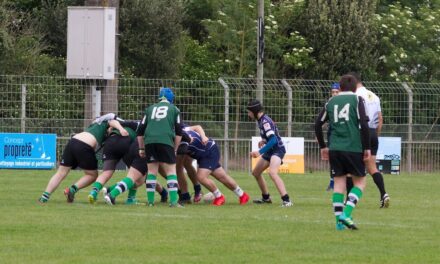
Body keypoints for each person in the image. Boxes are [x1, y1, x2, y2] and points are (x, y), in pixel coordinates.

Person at [315, 74, 371, 230]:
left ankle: (339, 224)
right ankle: (346, 214)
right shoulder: (357, 100)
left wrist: (323, 146)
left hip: (335, 148)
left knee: (339, 184)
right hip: (353, 147)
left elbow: (318, 124)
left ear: (340, 88)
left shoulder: (331, 101)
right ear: (355, 87)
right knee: (360, 182)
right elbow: (364, 125)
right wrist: (367, 147)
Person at [38, 113, 126, 203]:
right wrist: (121, 129)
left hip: (73, 141)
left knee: (61, 173)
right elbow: (113, 122)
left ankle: (44, 197)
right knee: (93, 175)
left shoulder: (95, 124)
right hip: (84, 145)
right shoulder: (107, 122)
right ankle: (72, 189)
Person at [88, 120, 168, 205]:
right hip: (133, 145)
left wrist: (116, 128)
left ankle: (94, 192)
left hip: (113, 143)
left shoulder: (140, 124)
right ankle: (115, 195)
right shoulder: (161, 130)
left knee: (108, 173)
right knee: (137, 178)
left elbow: (115, 121)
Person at [180, 125, 250, 206]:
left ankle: (219, 196)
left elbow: (198, 127)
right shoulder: (177, 136)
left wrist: (203, 136)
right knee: (222, 176)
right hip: (203, 155)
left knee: (201, 177)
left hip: (209, 151)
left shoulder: (182, 132)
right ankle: (242, 195)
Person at [137, 87, 183, 207]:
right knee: (171, 171)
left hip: (149, 141)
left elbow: (140, 131)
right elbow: (179, 133)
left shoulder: (150, 109)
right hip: (165, 140)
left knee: (152, 172)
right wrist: (175, 149)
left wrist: (141, 148)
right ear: (171, 98)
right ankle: (173, 202)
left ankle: (151, 202)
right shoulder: (174, 109)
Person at [350, 72, 390, 208]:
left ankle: (348, 200)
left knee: (351, 166)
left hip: (361, 132)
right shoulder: (374, 95)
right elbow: (380, 118)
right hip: (373, 132)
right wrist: (375, 135)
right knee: (372, 166)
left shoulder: (356, 96)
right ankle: (384, 194)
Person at [246, 100, 293, 207]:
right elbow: (270, 138)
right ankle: (266, 198)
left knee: (272, 173)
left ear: (254, 111)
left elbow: (274, 140)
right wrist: (263, 141)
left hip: (277, 149)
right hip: (270, 150)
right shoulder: (260, 120)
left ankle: (287, 200)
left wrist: (259, 152)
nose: (248, 114)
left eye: (249, 112)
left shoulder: (265, 121)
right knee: (256, 173)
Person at [326, 82, 340, 191]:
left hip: (342, 133)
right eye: (333, 92)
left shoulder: (344, 103)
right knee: (332, 158)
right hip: (332, 132)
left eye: (337, 92)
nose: (334, 94)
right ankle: (332, 181)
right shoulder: (329, 103)